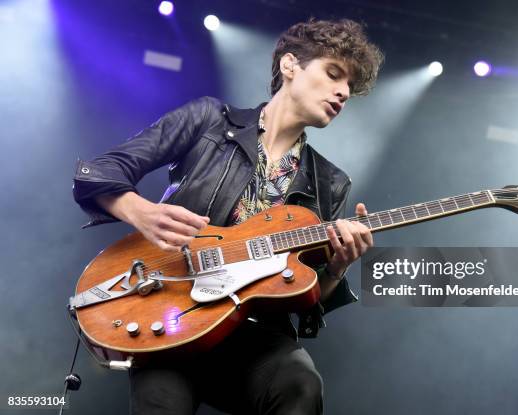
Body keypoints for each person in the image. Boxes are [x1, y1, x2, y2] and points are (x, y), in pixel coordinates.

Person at [73, 18, 383, 415]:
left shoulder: (330, 182)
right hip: (171, 318)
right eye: (334, 73)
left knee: (301, 385)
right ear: (290, 66)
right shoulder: (209, 121)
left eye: (350, 89)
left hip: (254, 336)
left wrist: (338, 267)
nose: (343, 92)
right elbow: (100, 171)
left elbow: (306, 296)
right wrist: (142, 211)